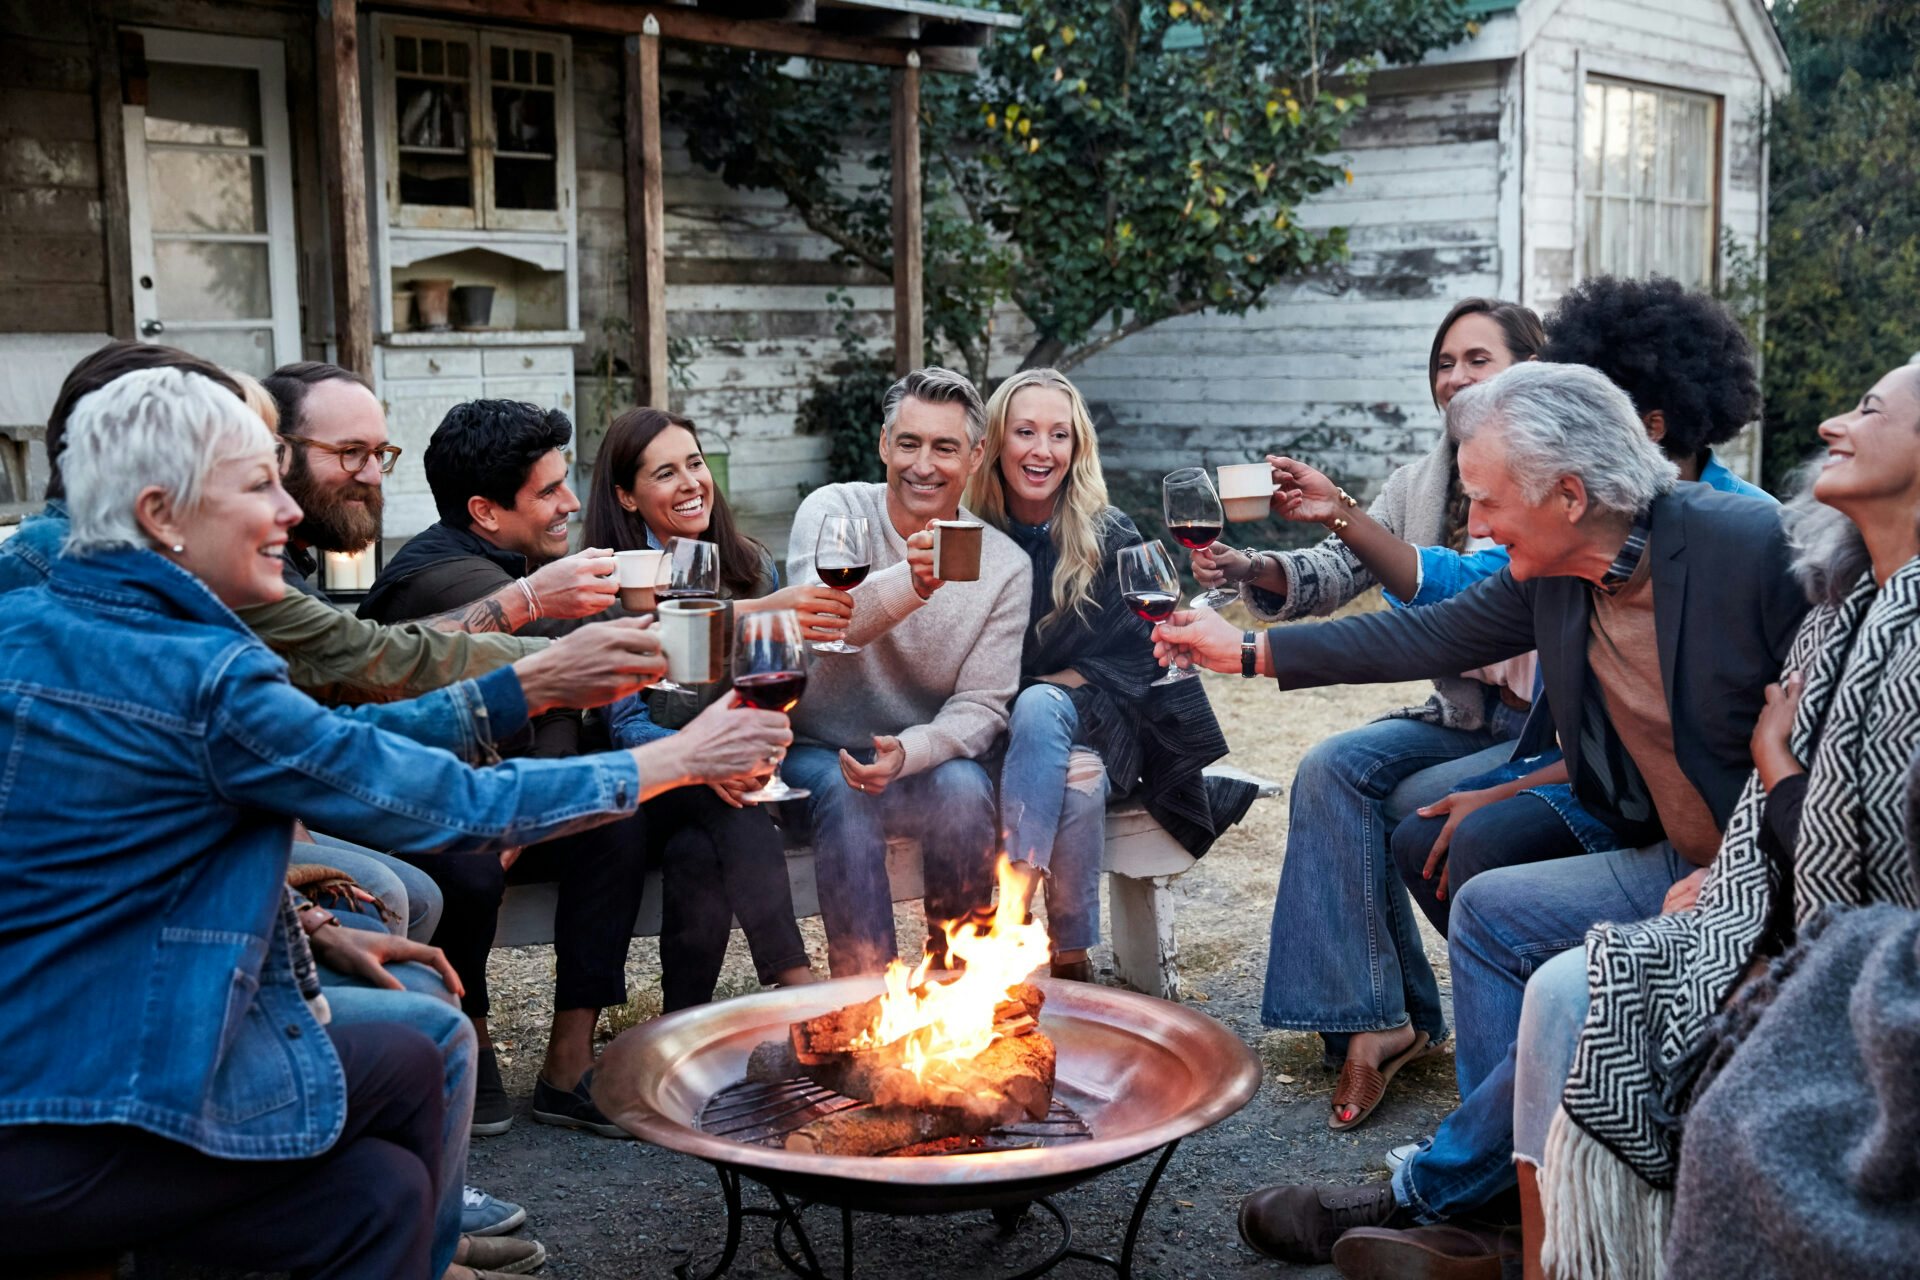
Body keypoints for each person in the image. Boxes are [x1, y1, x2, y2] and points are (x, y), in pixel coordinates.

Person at [0, 366, 791, 1277]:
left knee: (399, 1129)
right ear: (160, 515)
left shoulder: (32, 618)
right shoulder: (203, 672)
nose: (289, 511)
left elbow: (323, 749)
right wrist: (675, 761)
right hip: (93, 1110)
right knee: (396, 1138)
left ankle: (419, 1240)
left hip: (44, 1080)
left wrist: (309, 925)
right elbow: (452, 803)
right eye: (258, 483)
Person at [1152, 362, 1807, 1267]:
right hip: (1666, 858)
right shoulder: (1558, 575)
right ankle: (1499, 1207)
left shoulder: (1746, 546)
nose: (1479, 527)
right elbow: (1421, 633)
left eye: (1489, 503)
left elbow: (1837, 738)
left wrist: (1750, 873)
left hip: (1767, 878)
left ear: (1570, 496)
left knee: (1550, 969)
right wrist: (1250, 651)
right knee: (1490, 911)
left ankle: (1429, 1194)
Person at [1525, 363, 1920, 1280]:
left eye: (1867, 408)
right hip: (1770, 902)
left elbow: (1890, 899)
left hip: (1852, 962)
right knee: (1555, 981)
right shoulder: (1841, 611)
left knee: (1589, 998)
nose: (1829, 422)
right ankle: (1551, 1252)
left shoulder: (1878, 622)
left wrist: (1776, 772)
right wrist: (1734, 888)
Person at [1191, 298, 1550, 1128]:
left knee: (1395, 802)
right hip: (1467, 716)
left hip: (1539, 731)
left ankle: (1441, 1025)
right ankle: (1380, 1021)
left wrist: (1251, 647)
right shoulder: (1419, 483)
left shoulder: (1552, 481)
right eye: (1442, 363)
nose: (1454, 377)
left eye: (1476, 360)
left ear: (1534, 368)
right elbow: (1336, 568)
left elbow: (1450, 598)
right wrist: (1257, 565)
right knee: (1328, 768)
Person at [1388, 277, 1776, 933]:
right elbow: (1462, 609)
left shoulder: (1747, 536)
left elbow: (1713, 741)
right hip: (1602, 771)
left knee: (1470, 836)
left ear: (1649, 425)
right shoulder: (1580, 532)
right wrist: (1254, 649)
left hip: (1696, 814)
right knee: (1423, 823)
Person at [359, 398, 657, 1138]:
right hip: (404, 810)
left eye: (565, 483)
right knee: (469, 860)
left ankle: (567, 1065)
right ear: (485, 511)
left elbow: (553, 710)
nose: (567, 504)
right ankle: (473, 1043)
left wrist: (531, 803)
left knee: (613, 818)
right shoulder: (447, 582)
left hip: (492, 791)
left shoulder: (516, 561)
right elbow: (596, 648)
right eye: (550, 492)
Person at [960, 368, 1255, 979]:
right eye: (1025, 432)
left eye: (1059, 435)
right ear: (995, 442)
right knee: (1077, 778)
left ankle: (1011, 914)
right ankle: (1070, 958)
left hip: (1101, 720)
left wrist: (1051, 685)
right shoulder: (969, 537)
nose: (1043, 451)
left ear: (1077, 448)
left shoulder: (1105, 534)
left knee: (1045, 713)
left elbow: (1143, 650)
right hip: (998, 733)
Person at [781, 367, 1029, 976]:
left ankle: (954, 988)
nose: (924, 464)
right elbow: (822, 622)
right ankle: (864, 997)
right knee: (844, 793)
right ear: (884, 444)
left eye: (944, 448)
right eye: (910, 443)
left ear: (974, 457)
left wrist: (911, 750)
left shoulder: (1004, 565)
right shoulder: (834, 511)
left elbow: (982, 705)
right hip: (818, 747)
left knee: (966, 790)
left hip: (922, 757)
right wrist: (913, 582)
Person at [581, 405, 820, 1009]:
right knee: (731, 812)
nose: (690, 483)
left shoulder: (749, 564)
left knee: (698, 855)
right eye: (665, 473)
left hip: (723, 788)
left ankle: (682, 1024)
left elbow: (771, 684)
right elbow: (627, 727)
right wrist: (704, 761)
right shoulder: (615, 581)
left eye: (694, 463)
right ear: (627, 497)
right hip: (643, 789)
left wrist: (750, 751)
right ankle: (797, 985)